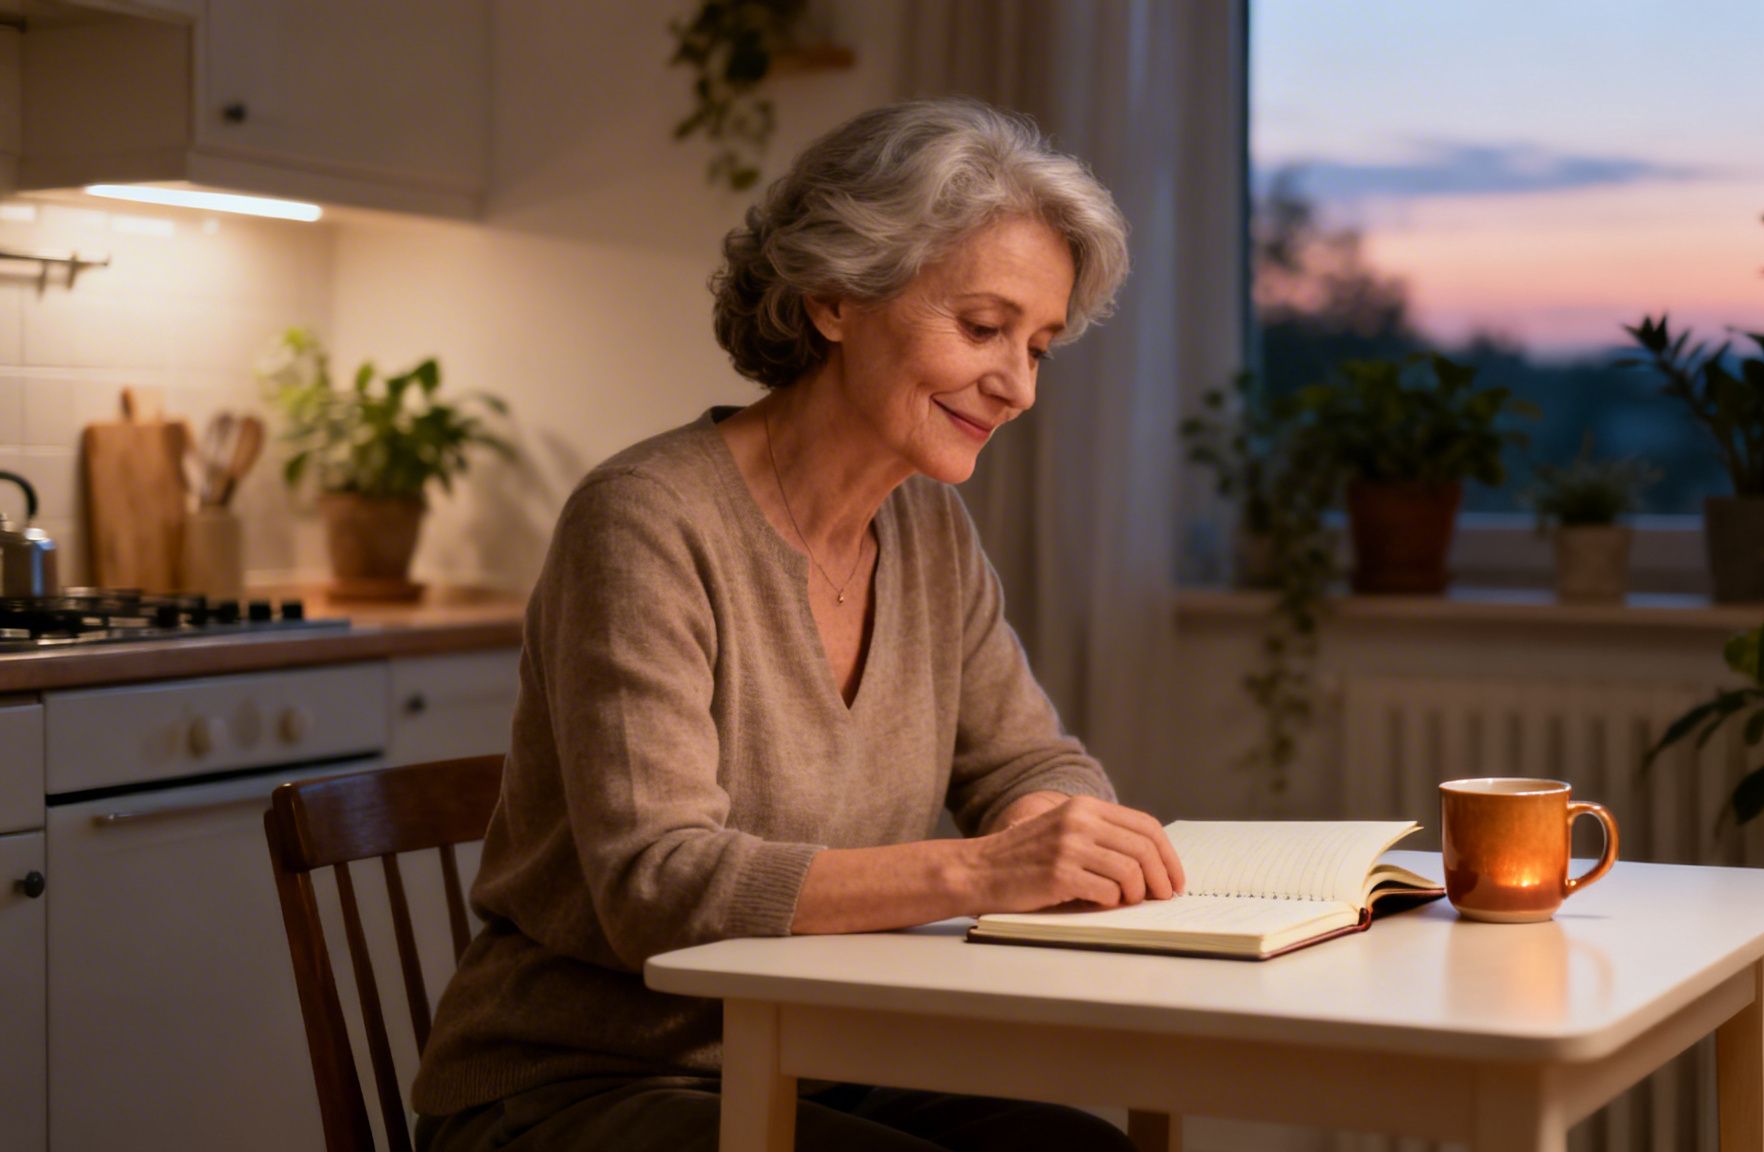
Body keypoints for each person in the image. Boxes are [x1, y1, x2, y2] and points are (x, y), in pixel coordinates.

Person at [410, 97, 1186, 1152]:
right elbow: (657, 883)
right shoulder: (645, 520)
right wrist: (983, 872)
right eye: (982, 327)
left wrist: (1059, 826)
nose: (1017, 387)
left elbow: (1026, 763)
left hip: (821, 1061)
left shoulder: (928, 528)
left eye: (1039, 346)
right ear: (834, 298)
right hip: (586, 1082)